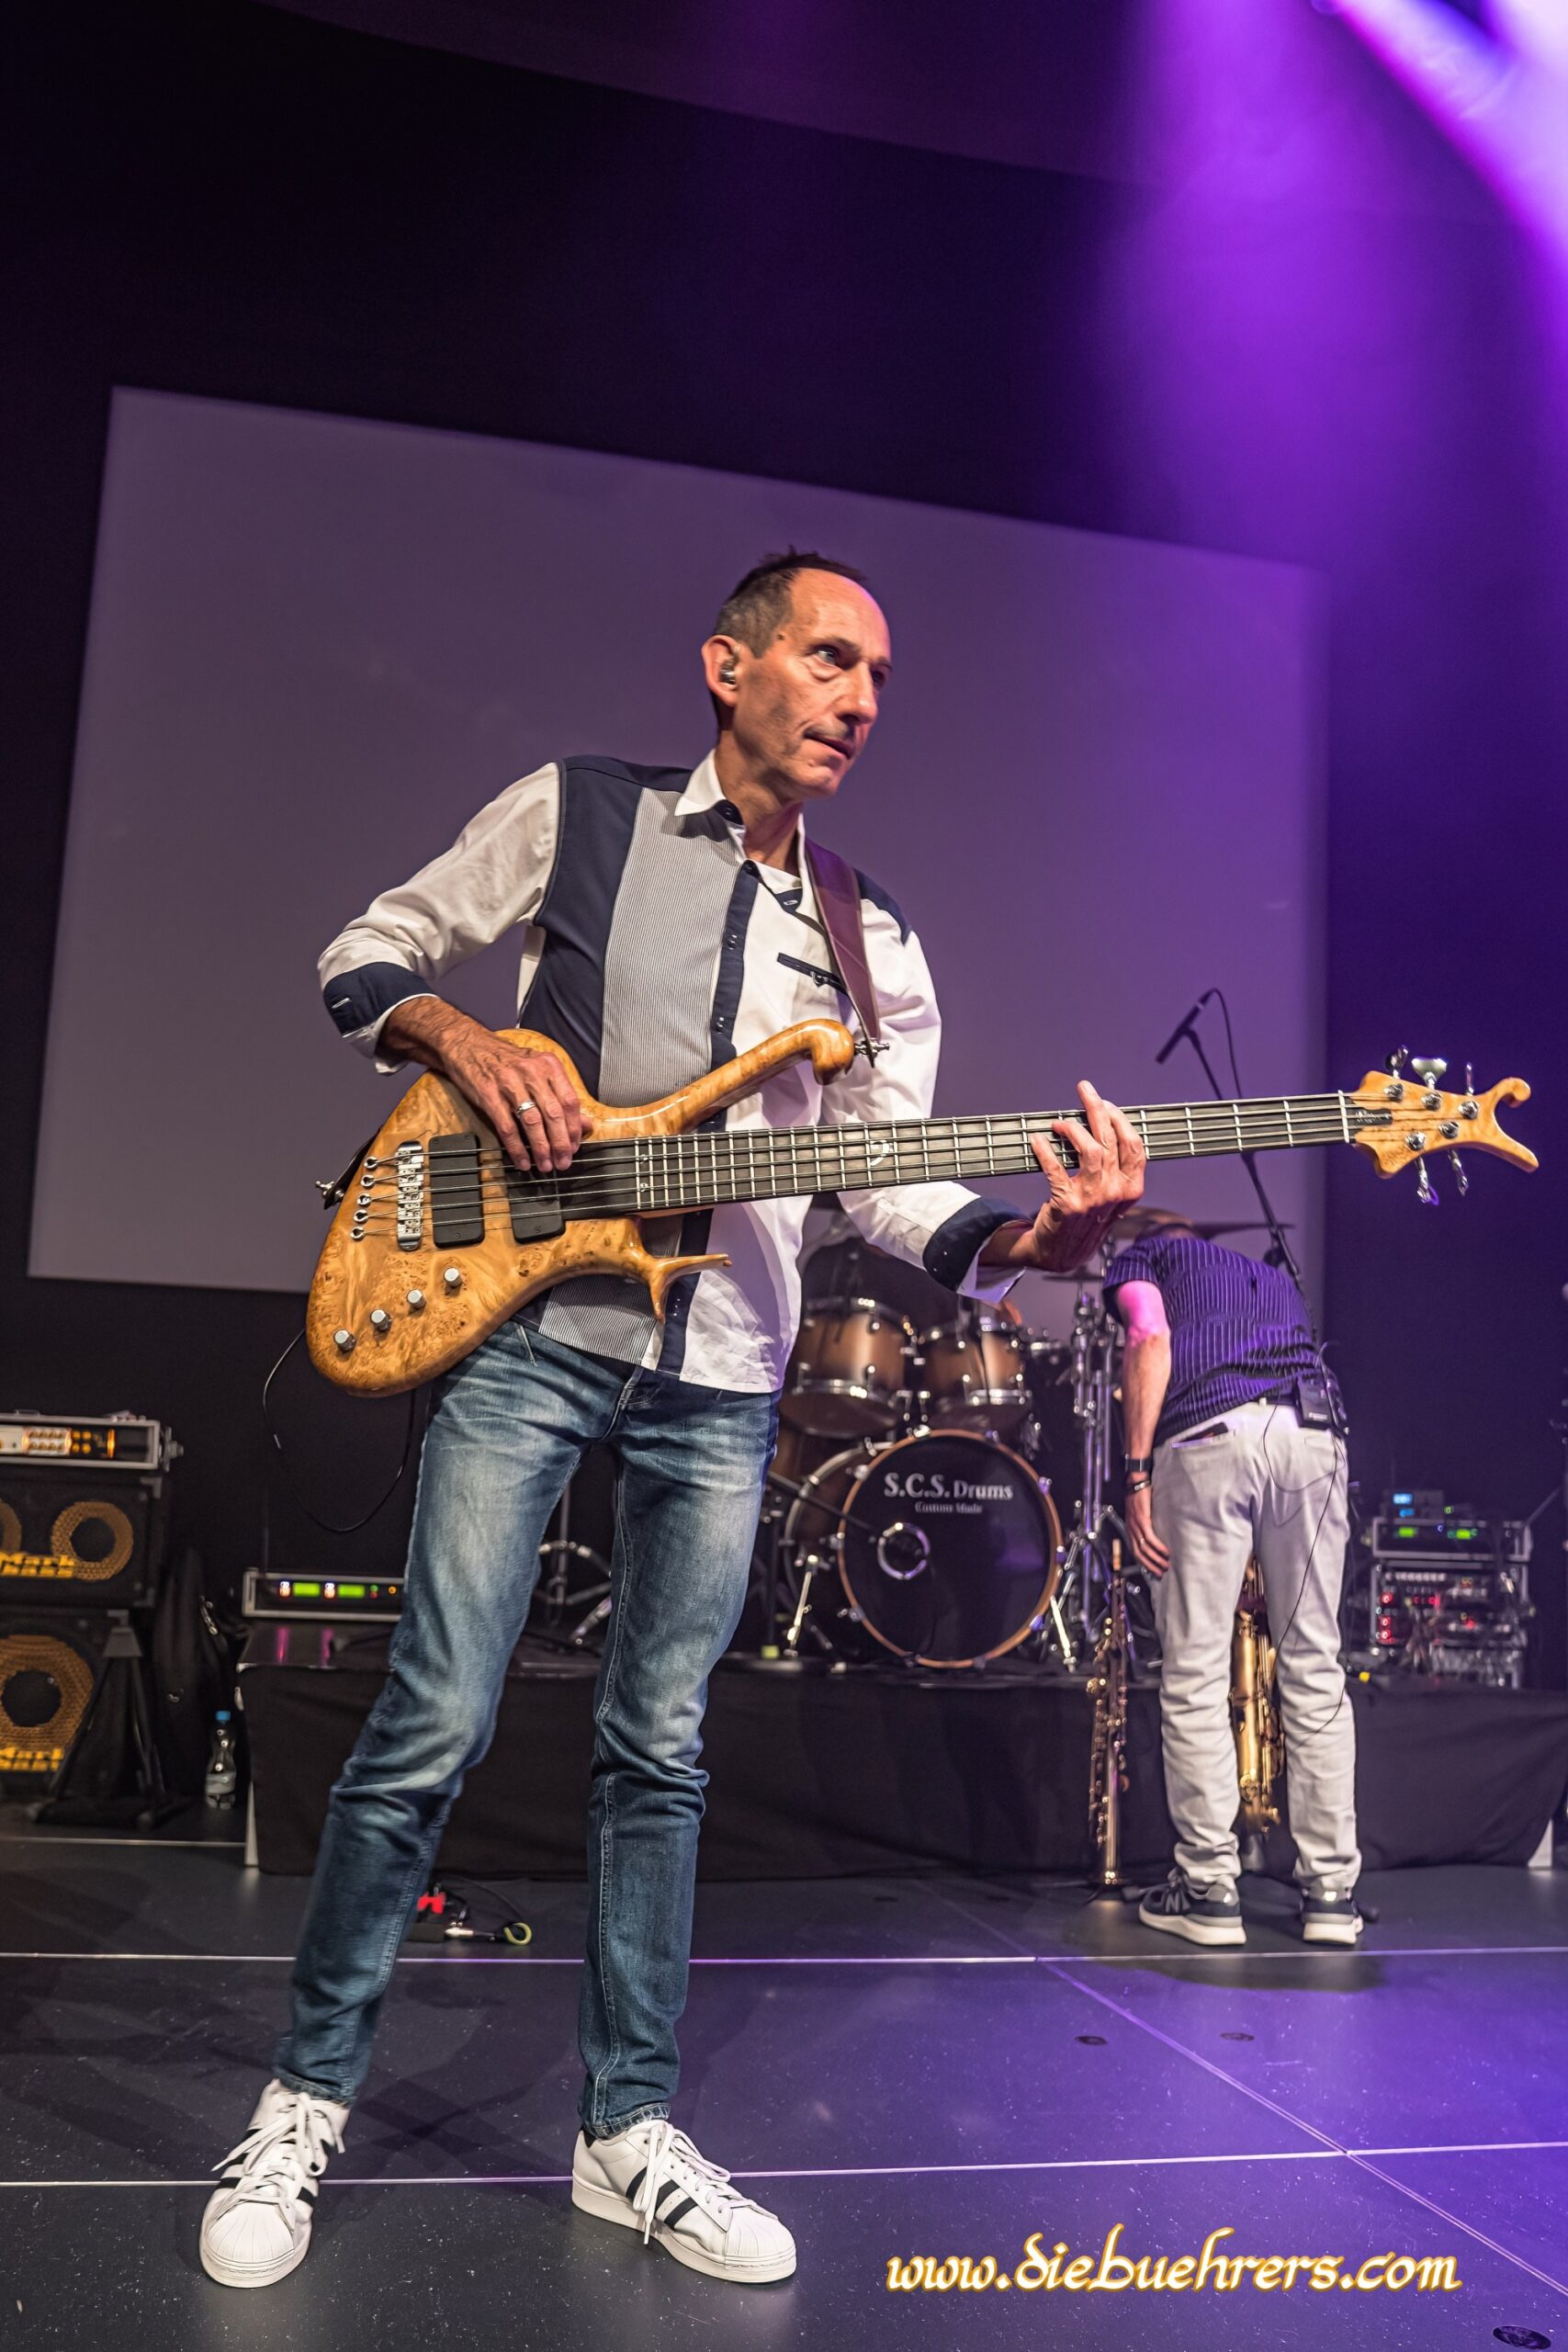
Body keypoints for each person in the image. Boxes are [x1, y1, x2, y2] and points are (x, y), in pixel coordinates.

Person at [199, 552, 1147, 2290]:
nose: (860, 698)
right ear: (728, 665)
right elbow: (366, 951)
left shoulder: (872, 937)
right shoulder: (580, 812)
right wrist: (464, 1039)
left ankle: (623, 2131)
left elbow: (886, 1186)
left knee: (660, 1753)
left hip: (723, 1376)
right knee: (430, 1720)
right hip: (525, 1326)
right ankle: (303, 2100)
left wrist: (1035, 1244)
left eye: (878, 677)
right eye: (829, 659)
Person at [1105, 1211, 1362, 1950]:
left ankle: (1209, 1890)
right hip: (1312, 1436)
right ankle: (1331, 1895)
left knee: (1194, 1672)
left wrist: (1135, 1474)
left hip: (1209, 1436)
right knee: (1315, 1669)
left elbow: (1147, 1334)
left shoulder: (1143, 1263)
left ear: (1145, 1242)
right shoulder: (1269, 1277)